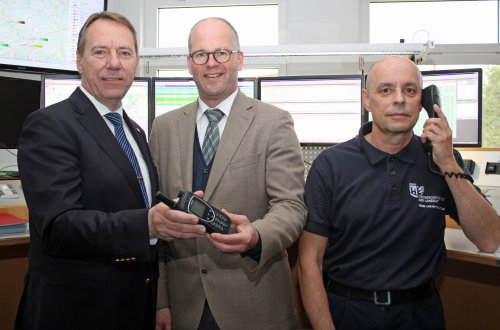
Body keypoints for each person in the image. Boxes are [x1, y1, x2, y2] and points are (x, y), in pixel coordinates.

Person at [298, 55, 500, 330]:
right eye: (386, 90)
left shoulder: (441, 160)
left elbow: (489, 240)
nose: (399, 99)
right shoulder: (331, 165)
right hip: (349, 311)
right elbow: (310, 261)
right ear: (367, 100)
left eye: (409, 90)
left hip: (419, 313)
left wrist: (449, 163)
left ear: (423, 102)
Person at [15, 11, 181, 330]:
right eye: (100, 51)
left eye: (124, 52)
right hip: (75, 312)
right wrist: (146, 224)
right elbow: (58, 227)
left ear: (135, 63)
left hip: (133, 307)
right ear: (80, 61)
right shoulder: (50, 125)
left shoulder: (134, 132)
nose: (114, 63)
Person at [149, 17, 307, 330]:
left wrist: (258, 235)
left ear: (239, 59)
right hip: (184, 308)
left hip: (253, 302)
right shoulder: (163, 128)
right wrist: (161, 299)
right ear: (189, 64)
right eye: (201, 54)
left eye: (222, 53)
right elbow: (160, 224)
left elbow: (291, 207)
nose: (211, 64)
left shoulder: (274, 123)